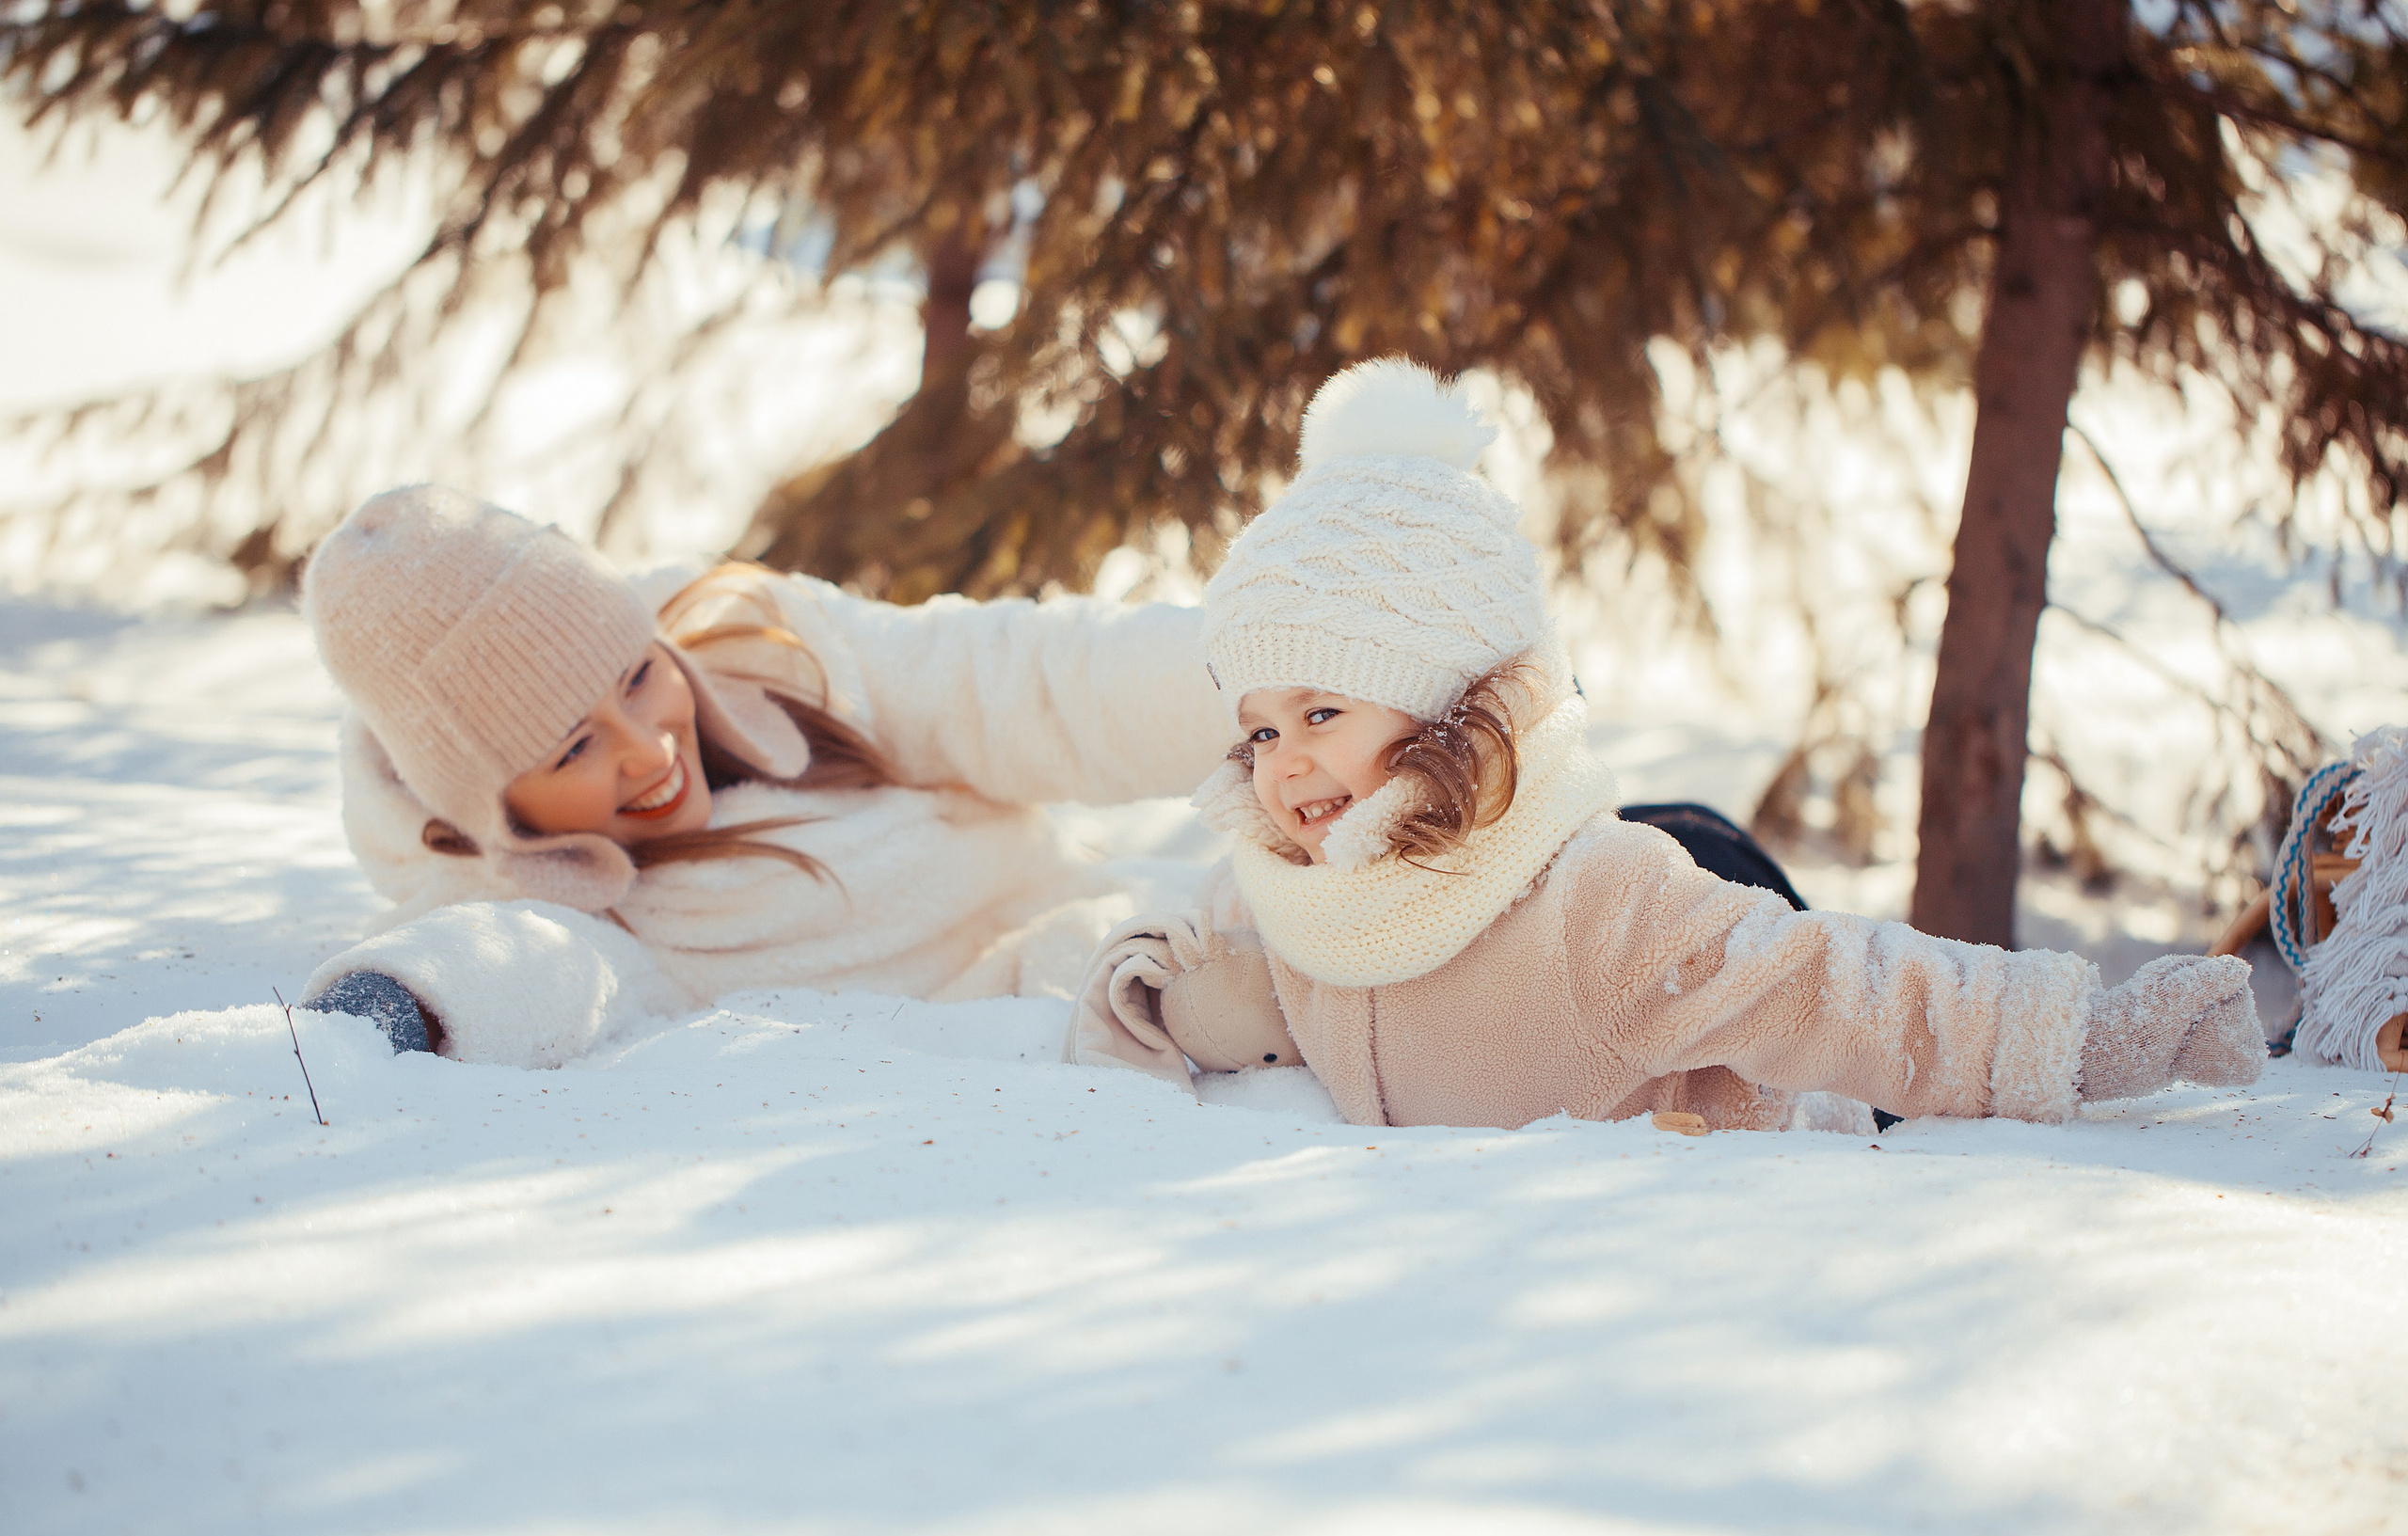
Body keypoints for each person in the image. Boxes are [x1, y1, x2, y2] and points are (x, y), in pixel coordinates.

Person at [1068, 358, 2265, 1130]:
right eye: (1261, 728)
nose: (1281, 762)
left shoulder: (1593, 914)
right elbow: (1180, 961)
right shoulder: (1291, 903)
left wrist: (2098, 1032)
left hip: (1780, 1144)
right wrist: (1163, 992)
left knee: (1713, 872)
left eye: (1323, 713)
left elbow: (1845, 995)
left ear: (1441, 704)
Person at [299, 484, 1228, 1067]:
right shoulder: (560, 903)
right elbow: (533, 962)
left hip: (1127, 910)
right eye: (573, 749)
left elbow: (1016, 683)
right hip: (1038, 1028)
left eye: (637, 675)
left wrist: (1266, 684)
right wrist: (403, 997)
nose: (649, 748)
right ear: (495, 810)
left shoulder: (770, 646)